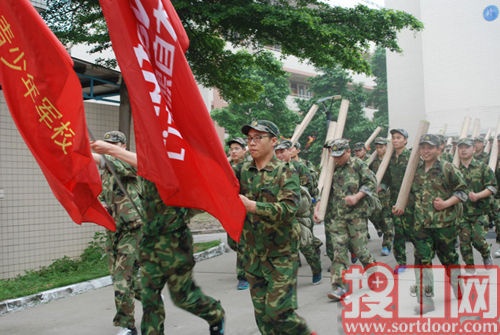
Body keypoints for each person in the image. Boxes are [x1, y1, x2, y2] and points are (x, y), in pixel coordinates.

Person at [90, 139, 225, 335]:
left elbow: (145, 165)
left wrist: (109, 150)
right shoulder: (142, 170)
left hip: (174, 242)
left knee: (182, 297)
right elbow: (114, 165)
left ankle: (214, 313)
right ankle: (135, 327)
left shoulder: (167, 167)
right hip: (147, 239)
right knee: (148, 297)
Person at [236, 120, 315, 335]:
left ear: (273, 141)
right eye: (249, 139)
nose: (252, 143)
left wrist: (253, 206)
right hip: (254, 254)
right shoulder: (243, 170)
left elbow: (289, 209)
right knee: (262, 314)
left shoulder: (286, 172)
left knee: (279, 313)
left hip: (281, 254)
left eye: (258, 138)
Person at [394, 134, 467, 314]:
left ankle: (457, 284)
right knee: (422, 261)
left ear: (438, 148)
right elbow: (409, 194)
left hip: (444, 225)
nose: (425, 151)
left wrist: (446, 203)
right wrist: (401, 207)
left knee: (449, 259)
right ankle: (426, 300)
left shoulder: (447, 168)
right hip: (421, 226)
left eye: (430, 147)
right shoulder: (414, 169)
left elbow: (463, 192)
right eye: (423, 147)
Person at [91, 131, 143, 335]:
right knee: (119, 275)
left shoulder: (129, 163)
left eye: (114, 144)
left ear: (122, 146)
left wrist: (89, 150)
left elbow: (107, 161)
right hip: (114, 229)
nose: (110, 147)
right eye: (108, 144)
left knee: (122, 277)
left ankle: (126, 325)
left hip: (133, 228)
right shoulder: (106, 174)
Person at [314, 138, 377, 301]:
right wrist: (319, 206)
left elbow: (371, 183)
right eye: (334, 155)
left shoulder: (358, 165)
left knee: (360, 250)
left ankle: (374, 275)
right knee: (339, 252)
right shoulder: (330, 168)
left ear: (348, 151)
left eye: (340, 155)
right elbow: (324, 190)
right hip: (337, 217)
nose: (337, 158)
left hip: (356, 216)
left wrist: (357, 196)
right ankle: (339, 287)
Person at [275, 139, 322, 285]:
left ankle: (316, 269)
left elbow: (311, 188)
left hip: (300, 212)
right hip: (282, 213)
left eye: (282, 151)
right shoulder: (273, 170)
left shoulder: (299, 167)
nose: (279, 155)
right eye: (277, 152)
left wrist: (317, 205)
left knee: (305, 244)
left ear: (290, 151)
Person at [456, 137, 496, 269]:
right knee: (465, 243)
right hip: (462, 213)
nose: (463, 150)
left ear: (473, 149)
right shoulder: (454, 169)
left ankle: (485, 253)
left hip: (480, 212)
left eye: (466, 147)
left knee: (478, 240)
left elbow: (492, 187)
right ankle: (470, 268)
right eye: (461, 148)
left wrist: (478, 195)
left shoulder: (482, 168)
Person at [383, 128, 415, 273]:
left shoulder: (411, 157)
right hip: (395, 201)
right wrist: (382, 186)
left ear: (405, 140)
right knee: (398, 233)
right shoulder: (389, 158)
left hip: (411, 201)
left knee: (414, 233)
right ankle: (401, 262)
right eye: (393, 138)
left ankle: (423, 259)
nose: (395, 140)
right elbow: (387, 179)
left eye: (398, 137)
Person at [226, 137, 249, 290]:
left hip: (244, 209)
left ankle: (243, 276)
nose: (233, 151)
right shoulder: (228, 165)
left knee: (242, 244)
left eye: (237, 148)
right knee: (232, 242)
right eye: (232, 149)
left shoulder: (246, 167)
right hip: (230, 210)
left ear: (244, 151)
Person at [368, 137, 394, 256]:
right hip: (375, 195)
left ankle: (386, 245)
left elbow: (393, 178)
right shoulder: (373, 161)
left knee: (387, 219)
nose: (379, 149)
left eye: (381, 147)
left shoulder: (391, 160)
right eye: (377, 147)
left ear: (386, 147)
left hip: (387, 195)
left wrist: (383, 186)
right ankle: (380, 228)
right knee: (375, 216)